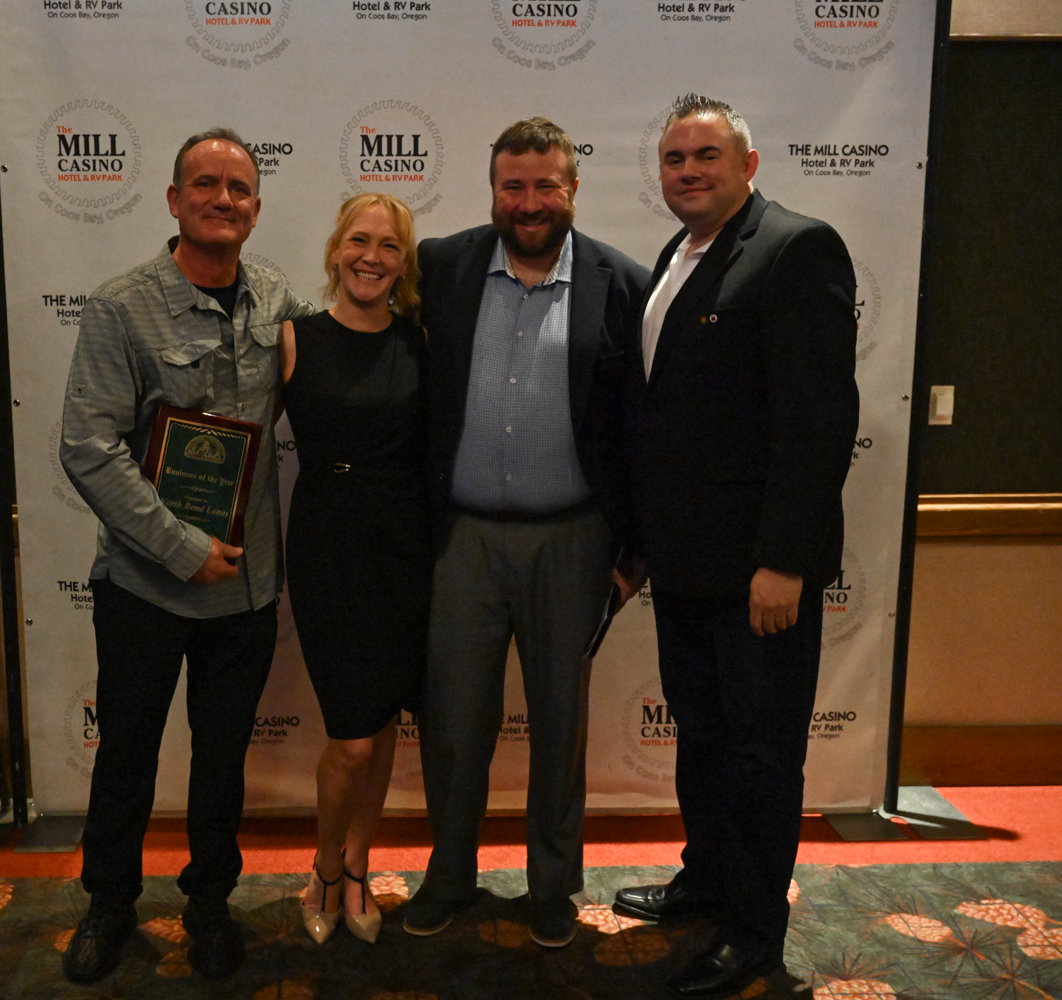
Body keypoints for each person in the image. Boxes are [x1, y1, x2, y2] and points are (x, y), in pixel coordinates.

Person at [612, 93, 859, 998]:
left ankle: (754, 931)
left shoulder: (796, 250)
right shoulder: (677, 256)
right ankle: (709, 884)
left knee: (759, 757)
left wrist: (785, 561)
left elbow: (818, 422)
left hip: (760, 575)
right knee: (706, 740)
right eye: (674, 159)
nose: (688, 172)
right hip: (686, 569)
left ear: (748, 165)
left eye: (706, 156)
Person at [57, 127, 314, 984]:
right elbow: (87, 446)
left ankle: (209, 903)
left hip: (243, 593)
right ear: (173, 200)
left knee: (222, 762)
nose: (222, 200)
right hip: (144, 587)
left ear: (255, 208)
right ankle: (109, 903)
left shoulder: (276, 298)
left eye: (238, 189)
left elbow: (337, 369)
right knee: (127, 755)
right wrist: (180, 547)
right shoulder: (119, 307)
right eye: (204, 185)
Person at [402, 117, 650, 948]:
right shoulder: (442, 266)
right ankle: (448, 876)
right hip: (463, 540)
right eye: (514, 185)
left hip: (572, 541)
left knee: (559, 724)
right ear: (493, 190)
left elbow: (642, 430)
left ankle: (552, 886)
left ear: (573, 190)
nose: (530, 201)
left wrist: (635, 554)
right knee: (453, 722)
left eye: (547, 185)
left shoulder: (622, 282)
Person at [279, 193, 431, 946]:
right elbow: (235, 433)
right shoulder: (293, 338)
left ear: (404, 264)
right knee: (353, 739)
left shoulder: (419, 341)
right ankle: (324, 866)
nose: (372, 257)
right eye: (360, 241)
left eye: (389, 246)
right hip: (327, 548)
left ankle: (360, 862)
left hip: (404, 548)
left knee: (386, 718)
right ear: (336, 249)